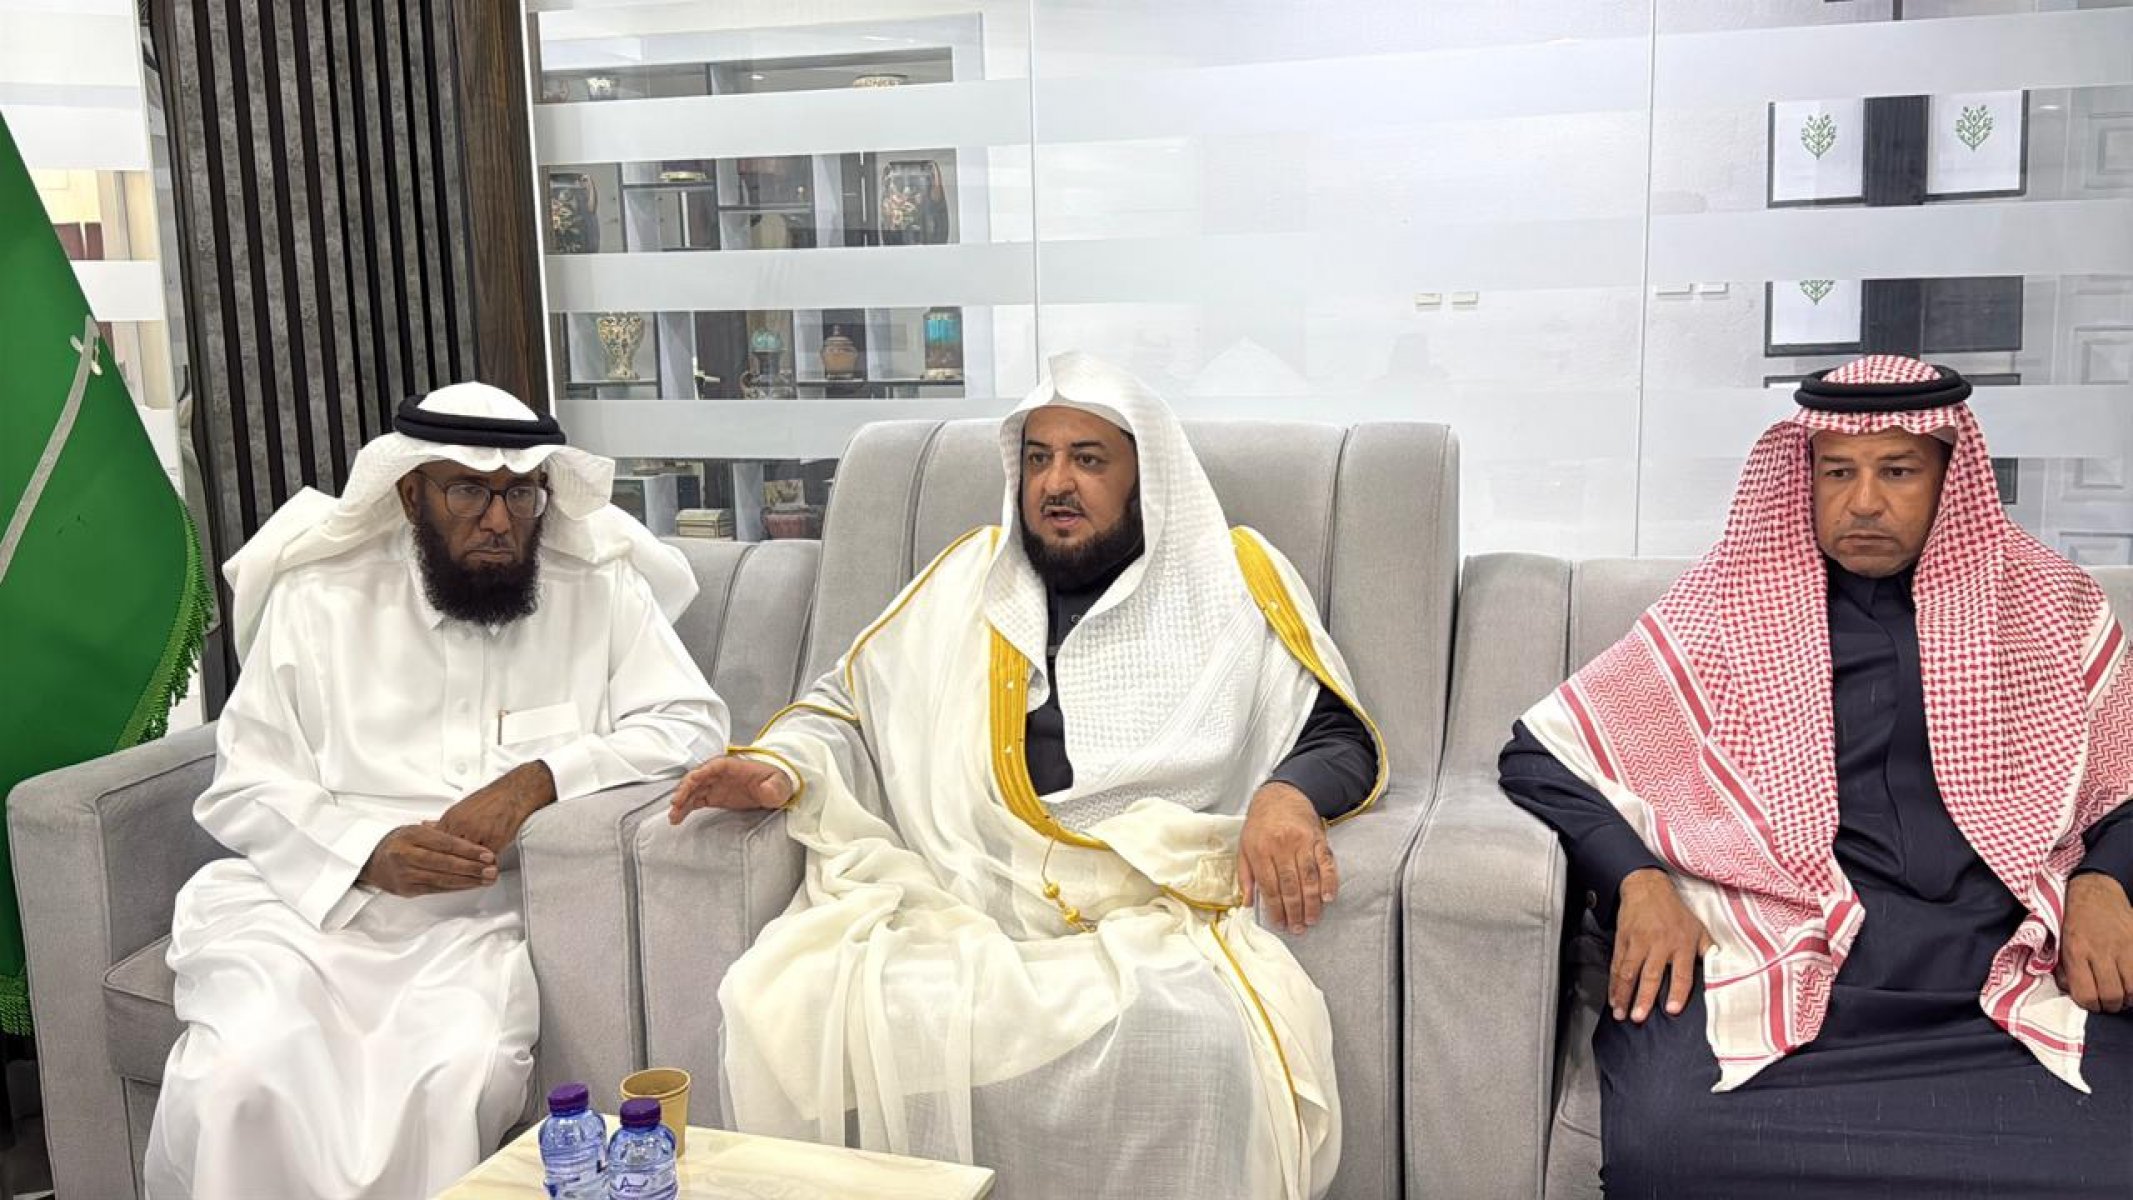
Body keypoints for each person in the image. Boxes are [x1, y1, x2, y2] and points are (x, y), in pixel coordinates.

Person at [668, 352, 1382, 1199]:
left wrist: (1285, 798)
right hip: (962, 889)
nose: (1055, 483)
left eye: (1088, 459)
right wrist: (780, 768)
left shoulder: (1227, 579)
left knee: (1197, 1039)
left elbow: (1333, 729)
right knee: (787, 997)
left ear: (1145, 478)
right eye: (1038, 458)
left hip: (1144, 905)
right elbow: (849, 708)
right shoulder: (968, 580)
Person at [1500, 355, 2133, 1196]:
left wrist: (2105, 882)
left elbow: (2125, 776)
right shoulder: (1732, 602)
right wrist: (1637, 883)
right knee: (1669, 1144)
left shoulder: (2047, 604)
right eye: (1837, 472)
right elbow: (1542, 755)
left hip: (1999, 953)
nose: (1862, 501)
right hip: (1780, 942)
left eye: (1896, 471)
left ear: (1949, 478)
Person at [143, 384, 728, 1199]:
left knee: (455, 1072)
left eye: (519, 494)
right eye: (468, 493)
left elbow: (691, 725)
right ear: (411, 493)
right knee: (239, 1077)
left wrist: (540, 779)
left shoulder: (596, 586)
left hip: (484, 922)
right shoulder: (319, 596)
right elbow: (247, 780)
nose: (498, 521)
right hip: (310, 915)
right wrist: (366, 852)